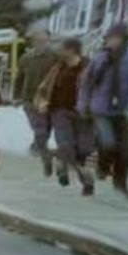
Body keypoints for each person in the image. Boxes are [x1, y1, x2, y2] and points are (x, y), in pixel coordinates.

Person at [77, 23, 128, 199]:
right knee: (108, 143)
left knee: (124, 150)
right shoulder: (100, 57)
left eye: (116, 38)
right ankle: (102, 167)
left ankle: (120, 183)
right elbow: (86, 83)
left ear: (124, 39)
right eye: (110, 38)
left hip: (124, 110)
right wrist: (83, 104)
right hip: (101, 108)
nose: (112, 42)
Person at [34, 39, 94, 195]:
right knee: (66, 144)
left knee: (82, 150)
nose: (58, 52)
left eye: (61, 49)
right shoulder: (57, 68)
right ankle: (86, 182)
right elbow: (43, 88)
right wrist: (42, 102)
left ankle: (61, 163)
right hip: (59, 112)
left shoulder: (88, 67)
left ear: (71, 50)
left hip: (83, 114)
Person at [14, 29, 58, 176]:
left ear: (48, 41)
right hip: (29, 98)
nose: (41, 44)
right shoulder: (25, 58)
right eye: (38, 41)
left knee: (46, 127)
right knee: (39, 127)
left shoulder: (55, 57)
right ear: (33, 42)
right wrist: (16, 96)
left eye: (44, 41)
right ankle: (45, 157)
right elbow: (19, 78)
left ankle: (36, 146)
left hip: (48, 98)